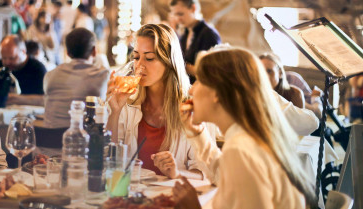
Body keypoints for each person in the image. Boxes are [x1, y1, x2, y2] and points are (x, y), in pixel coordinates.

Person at [173, 47, 317, 209]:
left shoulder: (240, 148)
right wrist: (198, 134)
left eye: (199, 81)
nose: (192, 89)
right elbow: (225, 174)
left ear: (218, 94)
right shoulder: (249, 135)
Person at [106, 24, 212, 180]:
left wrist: (177, 172)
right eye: (136, 57)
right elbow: (109, 160)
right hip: (131, 197)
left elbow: (208, 172)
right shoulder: (127, 102)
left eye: (149, 58)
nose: (139, 65)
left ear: (168, 62)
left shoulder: (192, 107)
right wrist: (114, 113)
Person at [43, 28, 109, 129]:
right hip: (85, 141)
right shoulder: (103, 75)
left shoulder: (50, 75)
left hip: (48, 141)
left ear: (67, 53)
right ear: (94, 51)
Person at [170, 0, 221, 84]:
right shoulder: (185, 34)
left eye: (180, 14)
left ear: (193, 8)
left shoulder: (209, 34)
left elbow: (213, 72)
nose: (177, 19)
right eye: (175, 14)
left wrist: (180, 65)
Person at [0, 35, 46, 106]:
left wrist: (13, 98)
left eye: (12, 58)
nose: (7, 62)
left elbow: (44, 100)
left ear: (23, 52)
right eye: (4, 58)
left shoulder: (38, 69)